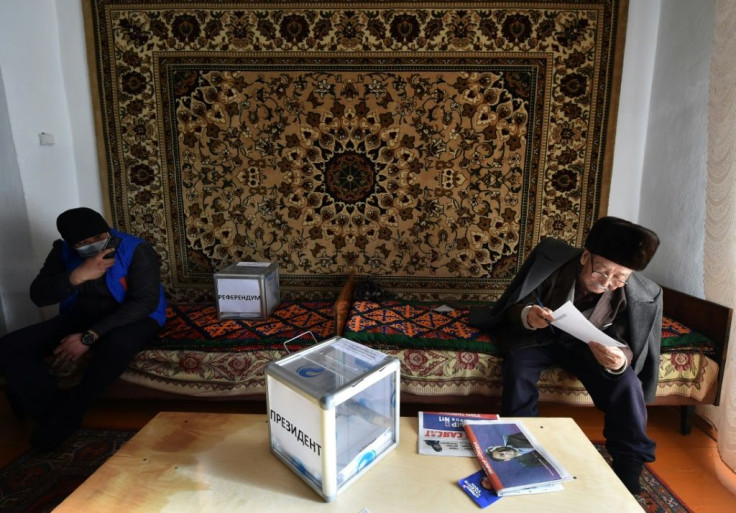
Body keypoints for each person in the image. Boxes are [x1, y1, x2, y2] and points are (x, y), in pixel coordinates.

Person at [470, 216, 662, 495]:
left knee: (627, 383)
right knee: (518, 367)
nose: (608, 282)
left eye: (620, 277)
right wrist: (528, 316)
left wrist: (620, 360)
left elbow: (628, 341)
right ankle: (519, 448)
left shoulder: (639, 293)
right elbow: (517, 304)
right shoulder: (552, 261)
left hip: (589, 347)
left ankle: (629, 463)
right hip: (539, 338)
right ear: (586, 256)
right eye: (602, 272)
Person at [0, 207, 166, 451]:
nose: (94, 244)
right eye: (83, 243)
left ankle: (72, 410)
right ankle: (52, 413)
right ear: (71, 243)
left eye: (99, 238)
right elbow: (39, 296)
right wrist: (76, 277)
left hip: (133, 316)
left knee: (117, 345)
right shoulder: (62, 251)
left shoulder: (136, 249)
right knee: (9, 347)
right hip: (81, 314)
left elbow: (144, 302)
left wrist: (89, 337)